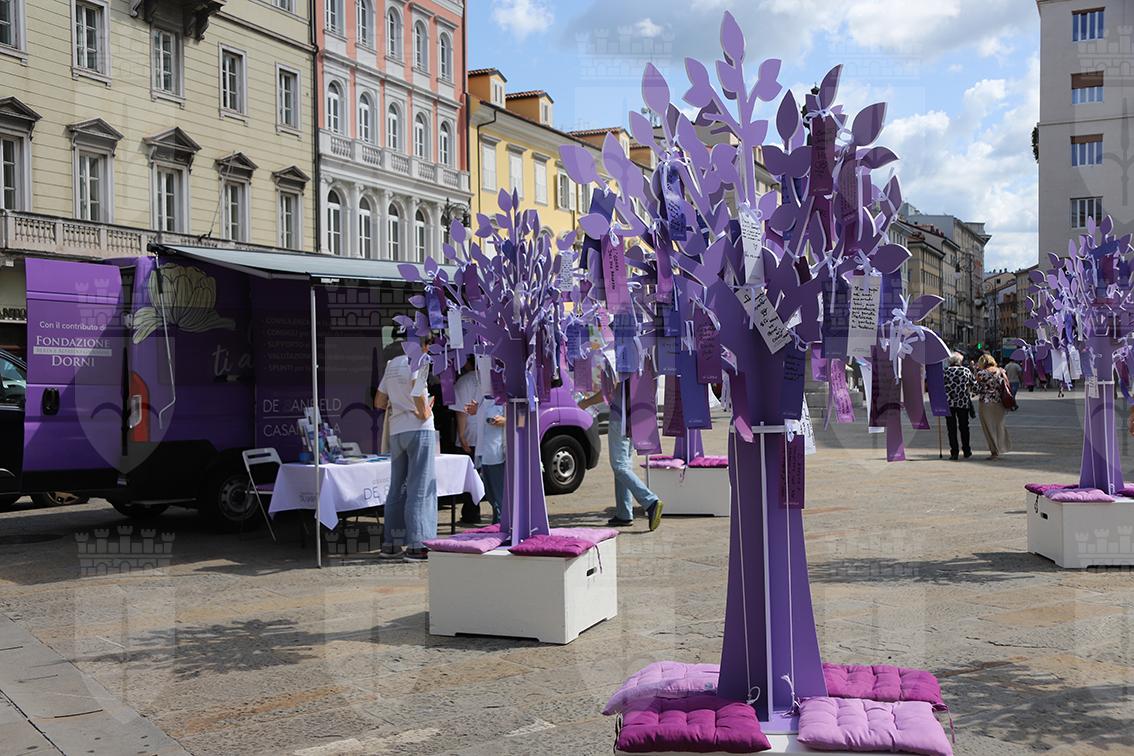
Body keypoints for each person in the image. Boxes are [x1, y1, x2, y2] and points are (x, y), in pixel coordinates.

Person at [374, 339, 436, 561]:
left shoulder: (391, 365)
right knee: (420, 487)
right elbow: (418, 390)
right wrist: (424, 412)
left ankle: (391, 544)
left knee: (397, 487)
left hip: (397, 430)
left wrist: (399, 405)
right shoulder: (419, 361)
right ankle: (417, 545)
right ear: (424, 345)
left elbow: (379, 401)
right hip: (419, 429)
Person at [580, 377, 664, 530]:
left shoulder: (621, 363)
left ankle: (650, 501)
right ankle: (624, 513)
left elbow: (610, 390)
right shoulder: (641, 363)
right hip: (634, 416)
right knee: (624, 465)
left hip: (621, 418)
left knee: (620, 466)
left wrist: (585, 403)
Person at [449, 356, 483, 523]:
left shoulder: (463, 382)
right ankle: (474, 512)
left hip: (470, 432)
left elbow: (461, 411)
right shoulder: (488, 378)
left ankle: (471, 513)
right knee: (482, 475)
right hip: (485, 432)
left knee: (469, 477)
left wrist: (461, 436)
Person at [464, 396, 505, 524]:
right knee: (490, 495)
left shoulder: (505, 398)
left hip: (497, 453)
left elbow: (522, 418)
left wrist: (506, 420)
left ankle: (501, 524)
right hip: (484, 452)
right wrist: (477, 410)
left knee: (499, 496)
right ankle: (497, 524)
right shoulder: (484, 399)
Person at [974, 353, 1012, 460]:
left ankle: (994, 451)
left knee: (988, 428)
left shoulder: (981, 374)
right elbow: (1006, 385)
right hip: (999, 402)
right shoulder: (1001, 371)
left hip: (985, 403)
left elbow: (976, 389)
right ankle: (1002, 447)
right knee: (999, 426)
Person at [943, 352, 976, 460]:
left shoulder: (945, 371)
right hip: (963, 403)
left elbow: (939, 386)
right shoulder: (966, 371)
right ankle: (966, 450)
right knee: (964, 427)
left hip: (949, 403)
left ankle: (954, 452)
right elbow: (975, 385)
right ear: (960, 361)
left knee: (951, 428)